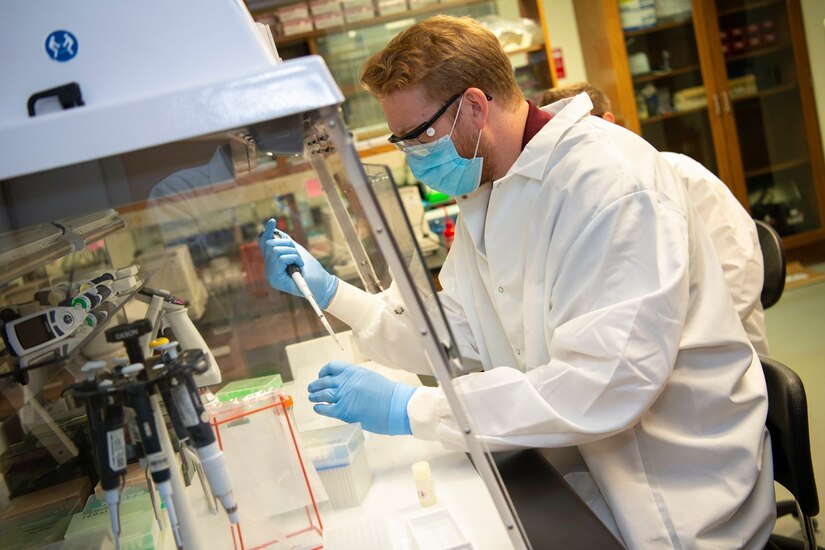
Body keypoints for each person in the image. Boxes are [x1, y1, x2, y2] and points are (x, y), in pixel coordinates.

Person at [259, 15, 774, 548]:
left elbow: (601, 385)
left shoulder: (611, 185)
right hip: (580, 470)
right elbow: (456, 327)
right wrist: (334, 295)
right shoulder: (494, 189)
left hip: (674, 497)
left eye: (419, 137)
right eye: (401, 142)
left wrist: (412, 408)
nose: (413, 158)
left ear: (475, 107)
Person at [542, 82, 770, 355]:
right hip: (642, 351)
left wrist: (670, 345)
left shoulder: (680, 173)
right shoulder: (576, 197)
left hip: (713, 350)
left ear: (608, 123)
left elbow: (740, 273)